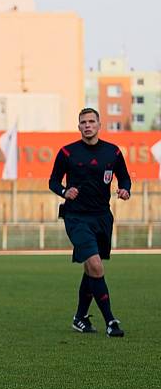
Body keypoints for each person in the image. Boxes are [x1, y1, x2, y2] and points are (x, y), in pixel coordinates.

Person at [49, 107, 130, 337]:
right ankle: (111, 321)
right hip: (76, 218)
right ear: (79, 126)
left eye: (91, 121)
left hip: (102, 217)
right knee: (95, 265)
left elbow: (123, 176)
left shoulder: (112, 152)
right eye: (83, 122)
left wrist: (125, 189)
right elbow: (53, 181)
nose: (87, 125)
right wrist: (65, 191)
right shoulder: (67, 152)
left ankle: (80, 318)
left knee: (90, 268)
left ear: (99, 125)